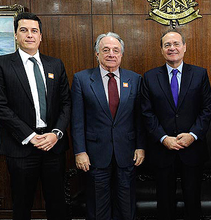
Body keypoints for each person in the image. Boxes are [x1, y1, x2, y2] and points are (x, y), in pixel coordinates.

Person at [0, 12, 71, 220]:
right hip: (20, 146)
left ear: (40, 36)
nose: (29, 35)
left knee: (57, 203)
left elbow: (66, 103)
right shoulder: (3, 65)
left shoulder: (55, 65)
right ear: (15, 35)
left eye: (34, 31)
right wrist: (30, 136)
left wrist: (56, 133)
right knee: (22, 204)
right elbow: (2, 107)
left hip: (53, 146)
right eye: (23, 30)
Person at [71, 32, 145, 220]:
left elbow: (139, 118)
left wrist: (140, 146)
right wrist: (80, 151)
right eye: (106, 50)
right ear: (97, 54)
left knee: (126, 206)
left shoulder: (135, 79)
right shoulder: (82, 79)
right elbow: (77, 120)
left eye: (115, 50)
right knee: (98, 207)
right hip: (95, 154)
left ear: (121, 54)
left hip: (127, 152)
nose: (111, 54)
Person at [141, 29, 211, 220]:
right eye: (167, 45)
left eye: (176, 44)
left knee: (193, 201)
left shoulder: (199, 74)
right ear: (161, 50)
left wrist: (193, 135)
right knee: (164, 203)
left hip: (193, 150)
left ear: (184, 47)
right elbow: (147, 113)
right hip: (163, 150)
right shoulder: (149, 77)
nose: (172, 48)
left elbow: (207, 109)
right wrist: (163, 138)